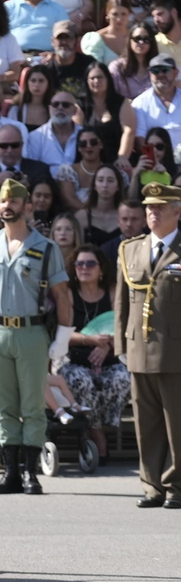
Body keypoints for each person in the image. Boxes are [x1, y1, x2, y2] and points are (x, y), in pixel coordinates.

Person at [0, 178, 73, 496]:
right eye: (3, 201)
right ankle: (10, 472)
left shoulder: (46, 248)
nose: (7, 206)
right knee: (3, 405)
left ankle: (31, 473)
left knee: (32, 404)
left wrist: (63, 339)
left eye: (14, 201)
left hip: (31, 332)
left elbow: (63, 296)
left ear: (27, 207)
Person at [113, 183, 181, 507]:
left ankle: (177, 485)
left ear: (177, 212)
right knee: (146, 423)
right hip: (139, 348)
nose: (152, 213)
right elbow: (122, 302)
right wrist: (120, 344)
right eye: (149, 208)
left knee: (176, 424)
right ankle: (152, 485)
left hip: (176, 352)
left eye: (160, 208)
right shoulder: (131, 249)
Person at [59, 245, 128, 456]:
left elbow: (123, 330)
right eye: (79, 263)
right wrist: (91, 340)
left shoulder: (113, 292)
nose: (84, 268)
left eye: (90, 263)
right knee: (81, 380)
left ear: (101, 270)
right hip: (76, 360)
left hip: (110, 358)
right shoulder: (70, 295)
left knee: (122, 378)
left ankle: (98, 425)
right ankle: (97, 432)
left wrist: (105, 345)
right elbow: (64, 335)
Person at [0, 123, 54, 206]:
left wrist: (30, 189)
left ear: (22, 145)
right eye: (3, 146)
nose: (9, 150)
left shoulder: (40, 170)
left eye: (15, 145)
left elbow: (52, 203)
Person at [126, 53, 181, 153]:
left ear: (175, 72)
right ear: (150, 74)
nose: (160, 74)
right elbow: (140, 139)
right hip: (156, 162)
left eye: (165, 70)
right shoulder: (140, 103)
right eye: (155, 71)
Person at [26, 91, 83, 169]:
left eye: (65, 105)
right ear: (50, 109)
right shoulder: (36, 137)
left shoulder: (84, 135)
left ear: (75, 110)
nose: (60, 108)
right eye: (55, 105)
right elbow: (33, 169)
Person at [55, 128, 107, 210]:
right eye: (83, 144)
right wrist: (90, 215)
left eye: (93, 142)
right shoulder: (68, 171)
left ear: (101, 144)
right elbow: (69, 199)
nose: (88, 146)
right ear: (79, 148)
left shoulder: (112, 171)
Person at [41, 21, 95, 99]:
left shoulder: (90, 65)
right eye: (60, 38)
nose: (64, 42)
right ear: (52, 41)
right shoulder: (46, 69)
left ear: (77, 41)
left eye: (68, 38)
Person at [76, 166, 124, 247]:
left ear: (118, 186)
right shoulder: (82, 216)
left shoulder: (125, 216)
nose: (105, 185)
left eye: (110, 180)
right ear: (94, 185)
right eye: (100, 180)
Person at [81, 0, 132, 65]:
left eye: (123, 14)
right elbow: (94, 67)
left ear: (129, 15)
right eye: (115, 14)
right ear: (107, 14)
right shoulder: (95, 39)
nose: (119, 19)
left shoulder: (134, 37)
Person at [102, 197, 149, 262]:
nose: (129, 224)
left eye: (134, 219)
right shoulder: (107, 250)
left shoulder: (153, 247)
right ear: (118, 222)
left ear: (144, 222)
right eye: (124, 219)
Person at [11, 65, 54, 130]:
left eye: (41, 81)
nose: (36, 85)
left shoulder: (55, 109)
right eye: (33, 80)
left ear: (48, 84)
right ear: (27, 83)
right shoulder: (17, 109)